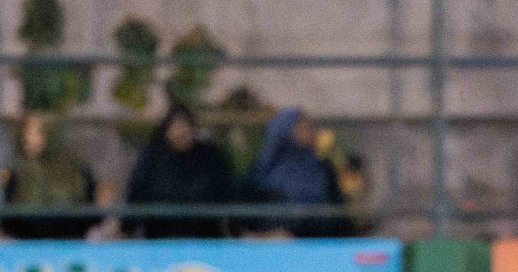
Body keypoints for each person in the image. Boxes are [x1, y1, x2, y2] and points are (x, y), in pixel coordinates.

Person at [124, 104, 235, 238]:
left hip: (204, 236)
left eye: (184, 125)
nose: (180, 132)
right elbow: (137, 194)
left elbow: (227, 194)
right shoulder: (152, 158)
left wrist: (236, 229)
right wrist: (126, 229)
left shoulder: (211, 156)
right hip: (160, 236)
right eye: (174, 126)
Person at [246, 108, 349, 237]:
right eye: (303, 128)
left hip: (321, 241)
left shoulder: (322, 168)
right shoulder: (262, 172)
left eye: (310, 128)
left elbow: (337, 210)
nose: (311, 133)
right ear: (284, 132)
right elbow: (251, 215)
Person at [1, 113, 98, 240]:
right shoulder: (18, 170)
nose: (27, 139)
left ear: (51, 135)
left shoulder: (76, 170)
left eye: (35, 133)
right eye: (26, 132)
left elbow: (88, 212)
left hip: (68, 244)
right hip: (27, 245)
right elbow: (10, 216)